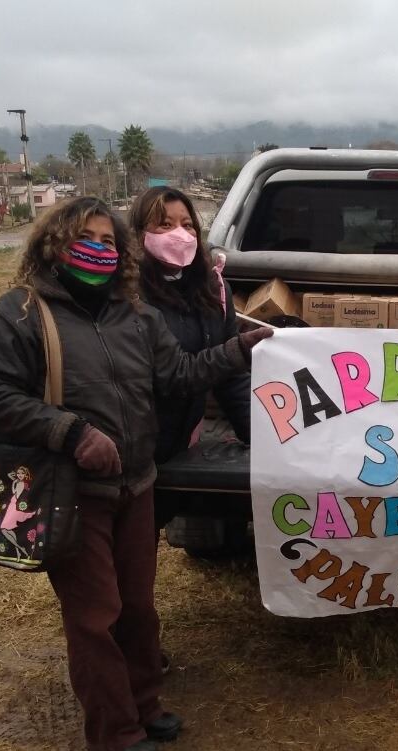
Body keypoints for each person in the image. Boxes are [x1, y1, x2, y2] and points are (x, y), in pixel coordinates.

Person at [0, 197, 271, 751]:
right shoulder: (21, 315)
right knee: (95, 613)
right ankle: (112, 727)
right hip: (70, 492)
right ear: (53, 245)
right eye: (87, 237)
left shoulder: (136, 315)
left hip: (137, 484)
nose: (100, 250)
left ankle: (144, 703)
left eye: (109, 241)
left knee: (137, 607)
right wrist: (71, 431)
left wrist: (238, 348)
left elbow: (178, 375)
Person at [129, 187, 251, 532]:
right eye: (164, 225)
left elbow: (230, 375)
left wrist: (257, 434)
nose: (180, 234)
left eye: (187, 224)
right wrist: (237, 351)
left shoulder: (214, 290)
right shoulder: (127, 295)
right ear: (140, 234)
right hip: (134, 447)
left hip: (181, 440)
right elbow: (172, 374)